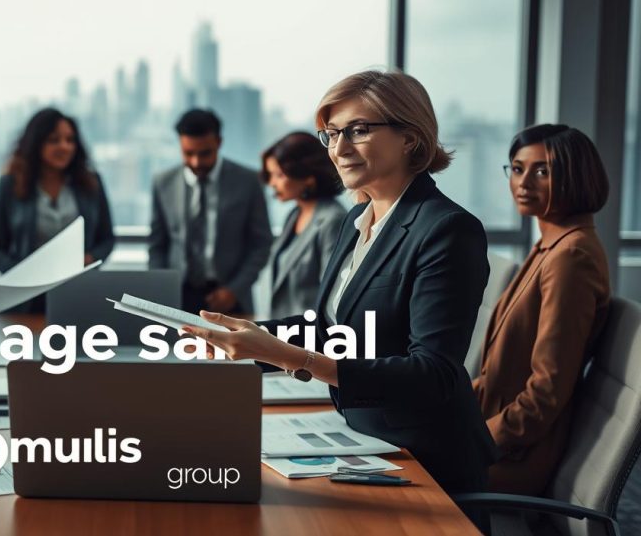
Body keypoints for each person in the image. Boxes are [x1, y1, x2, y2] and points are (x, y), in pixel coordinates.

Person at [182, 71, 497, 499]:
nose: (339, 148)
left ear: (410, 137)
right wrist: (247, 339)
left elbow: (434, 374)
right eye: (330, 134)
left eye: (359, 131)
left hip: (424, 458)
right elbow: (336, 331)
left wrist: (296, 359)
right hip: (363, 438)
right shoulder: (357, 219)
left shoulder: (447, 229)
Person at [472, 124, 611, 495]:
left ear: (575, 177)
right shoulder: (550, 245)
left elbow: (547, 390)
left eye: (542, 171)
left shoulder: (571, 256)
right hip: (493, 433)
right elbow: (497, 375)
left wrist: (474, 440)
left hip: (513, 456)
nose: (523, 182)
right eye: (517, 169)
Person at [0, 108, 114, 311]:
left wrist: (89, 259)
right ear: (36, 144)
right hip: (26, 300)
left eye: (70, 140)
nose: (64, 147)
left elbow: (107, 239)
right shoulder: (10, 184)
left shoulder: (91, 183)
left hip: (79, 292)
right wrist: (24, 273)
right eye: (54, 140)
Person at [149, 109, 272, 315]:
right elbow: (157, 244)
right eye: (188, 154)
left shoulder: (248, 181)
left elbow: (261, 244)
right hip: (177, 297)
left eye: (204, 153)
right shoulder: (163, 183)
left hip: (232, 298)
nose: (196, 162)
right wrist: (161, 291)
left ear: (219, 142)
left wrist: (234, 290)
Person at [261, 132, 347, 318]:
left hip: (307, 338)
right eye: (270, 175)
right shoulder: (294, 215)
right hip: (281, 334)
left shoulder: (333, 220)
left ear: (307, 175)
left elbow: (332, 296)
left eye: (279, 175)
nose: (272, 183)